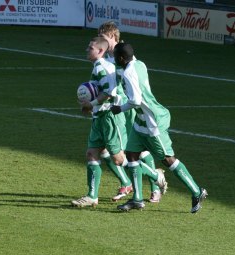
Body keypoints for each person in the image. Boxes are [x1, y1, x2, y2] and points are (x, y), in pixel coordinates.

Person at [111, 42, 208, 213]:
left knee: (168, 159)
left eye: (115, 57)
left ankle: (196, 191)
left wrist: (120, 108)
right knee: (131, 155)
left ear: (120, 58)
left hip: (152, 122)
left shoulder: (128, 73)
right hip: (140, 121)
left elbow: (135, 100)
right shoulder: (140, 64)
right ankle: (137, 199)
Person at [71, 37, 167, 208]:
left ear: (100, 51)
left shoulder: (102, 66)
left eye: (90, 47)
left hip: (109, 117)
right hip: (98, 117)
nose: (87, 49)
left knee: (118, 159)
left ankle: (155, 175)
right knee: (92, 154)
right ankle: (92, 196)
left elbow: (109, 91)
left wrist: (91, 103)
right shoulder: (99, 66)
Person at [98, 21, 164, 203]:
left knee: (138, 151)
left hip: (128, 109)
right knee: (109, 149)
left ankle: (155, 184)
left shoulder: (124, 57)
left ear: (112, 37)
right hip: (115, 110)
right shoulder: (107, 58)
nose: (99, 41)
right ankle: (128, 184)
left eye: (103, 37)